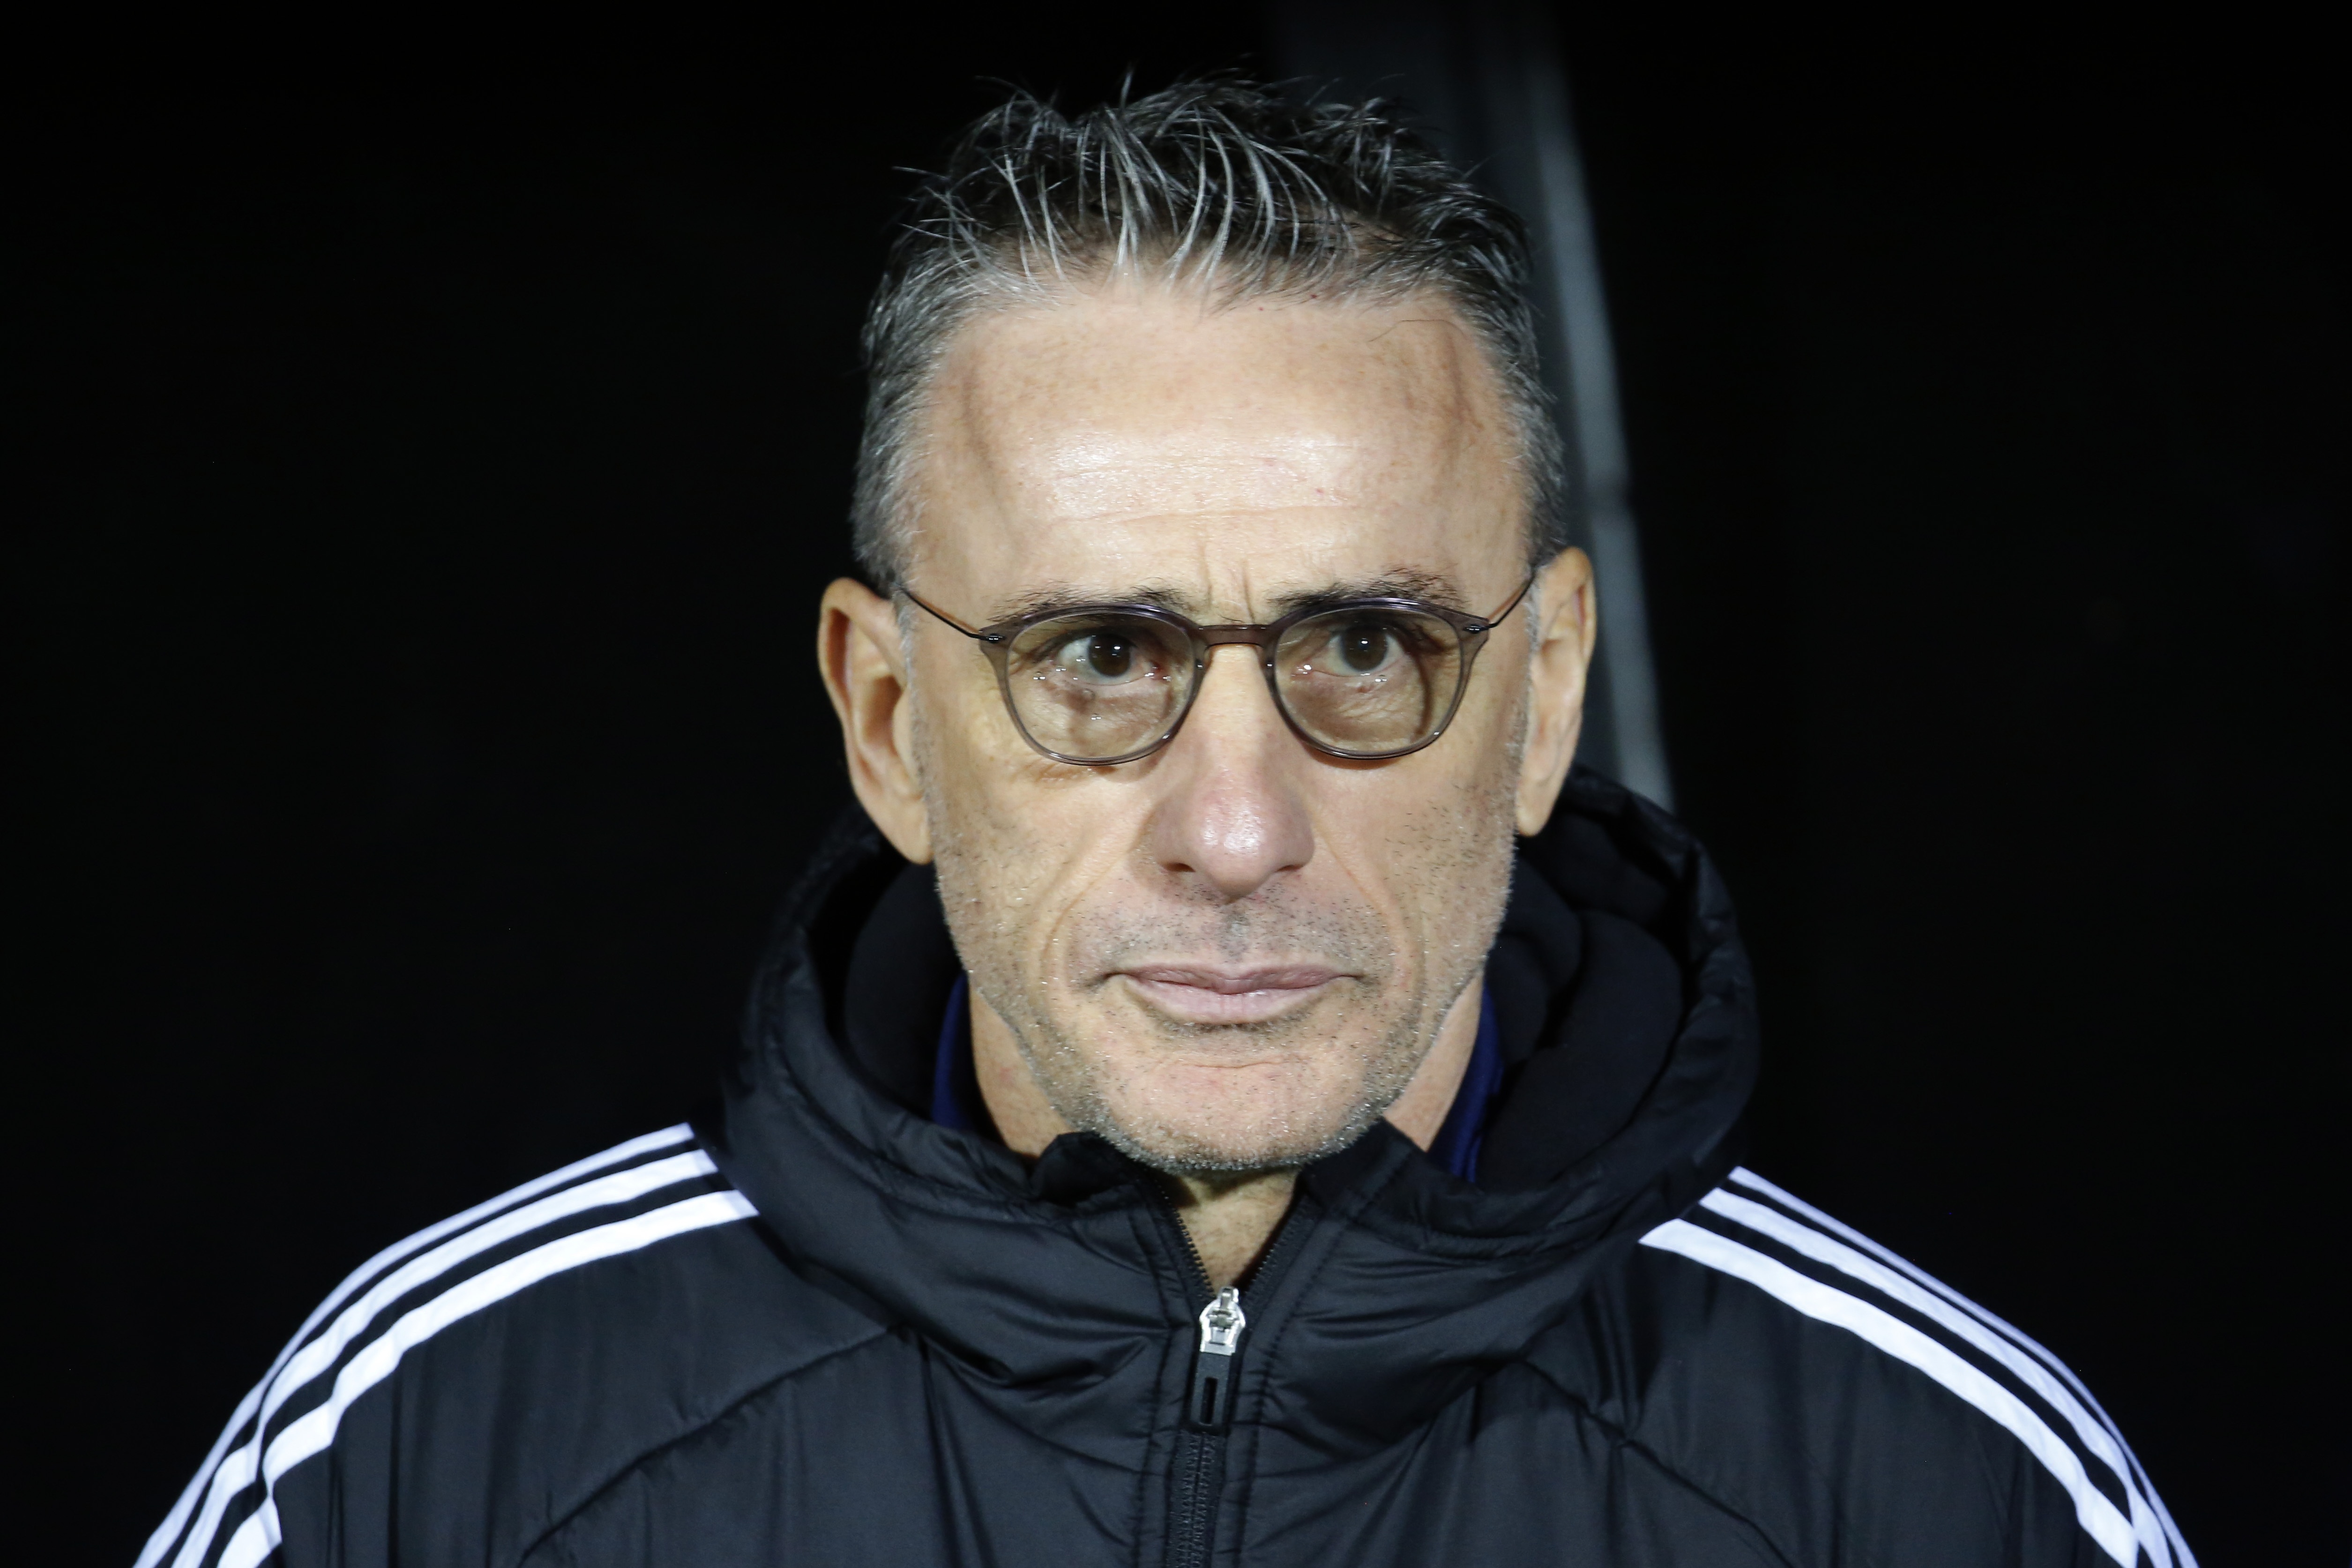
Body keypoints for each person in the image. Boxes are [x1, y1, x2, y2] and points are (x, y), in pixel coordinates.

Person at [142, 80, 2191, 1568]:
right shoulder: (420, 1455)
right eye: (1098, 657)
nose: (1232, 828)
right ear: (886, 721)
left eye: (1367, 648)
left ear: (1544, 695)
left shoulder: (1947, 1492)